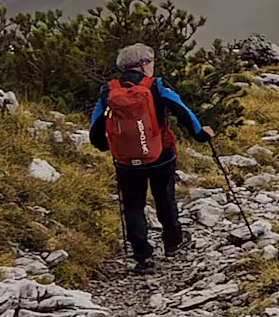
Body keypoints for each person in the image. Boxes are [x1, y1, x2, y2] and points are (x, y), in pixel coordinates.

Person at [88, 41, 211, 273]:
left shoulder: (109, 90)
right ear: (144, 64)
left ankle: (143, 256)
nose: (153, 66)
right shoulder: (156, 85)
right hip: (160, 155)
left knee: (133, 205)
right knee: (164, 198)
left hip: (125, 161)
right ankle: (173, 243)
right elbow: (182, 110)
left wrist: (106, 146)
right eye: (151, 62)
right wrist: (201, 134)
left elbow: (96, 129)